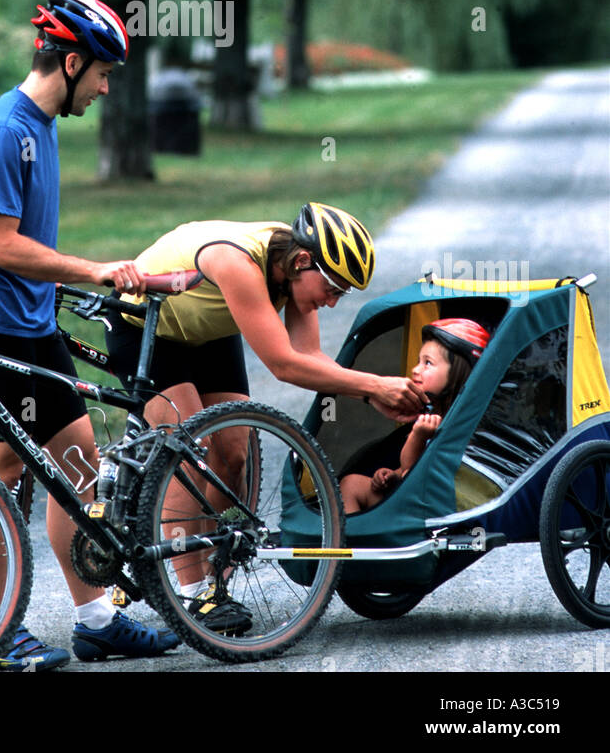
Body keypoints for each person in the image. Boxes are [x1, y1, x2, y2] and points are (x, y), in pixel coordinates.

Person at [0, 0, 175, 671]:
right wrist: (96, 271)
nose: (105, 88)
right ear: (71, 62)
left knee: (76, 469)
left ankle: (97, 619)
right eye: (103, 73)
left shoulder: (37, 129)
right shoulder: (2, 131)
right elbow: (0, 246)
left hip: (31, 326)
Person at [104, 203, 426, 629]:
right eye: (333, 288)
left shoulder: (294, 263)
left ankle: (210, 577)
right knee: (189, 448)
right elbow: (283, 365)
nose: (331, 302)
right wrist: (374, 385)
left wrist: (371, 396)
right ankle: (192, 592)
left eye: (342, 294)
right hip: (146, 322)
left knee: (234, 450)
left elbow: (308, 358)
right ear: (303, 261)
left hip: (205, 328)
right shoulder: (240, 263)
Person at [339, 318, 490, 514]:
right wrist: (393, 475)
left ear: (457, 374)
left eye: (428, 363)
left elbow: (420, 473)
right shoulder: (429, 414)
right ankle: (348, 540)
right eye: (419, 361)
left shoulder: (467, 425)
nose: (415, 369)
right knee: (350, 485)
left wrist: (418, 437)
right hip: (411, 499)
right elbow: (407, 467)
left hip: (439, 509)